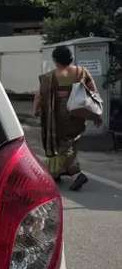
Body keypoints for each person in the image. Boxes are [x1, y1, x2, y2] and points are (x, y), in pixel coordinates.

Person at [33, 45, 99, 190]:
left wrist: (36, 110)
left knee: (63, 145)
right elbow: (93, 92)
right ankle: (57, 172)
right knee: (71, 142)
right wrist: (95, 114)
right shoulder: (82, 72)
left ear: (55, 60)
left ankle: (76, 174)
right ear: (71, 58)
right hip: (78, 114)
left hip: (57, 116)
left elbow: (39, 96)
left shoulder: (49, 77)